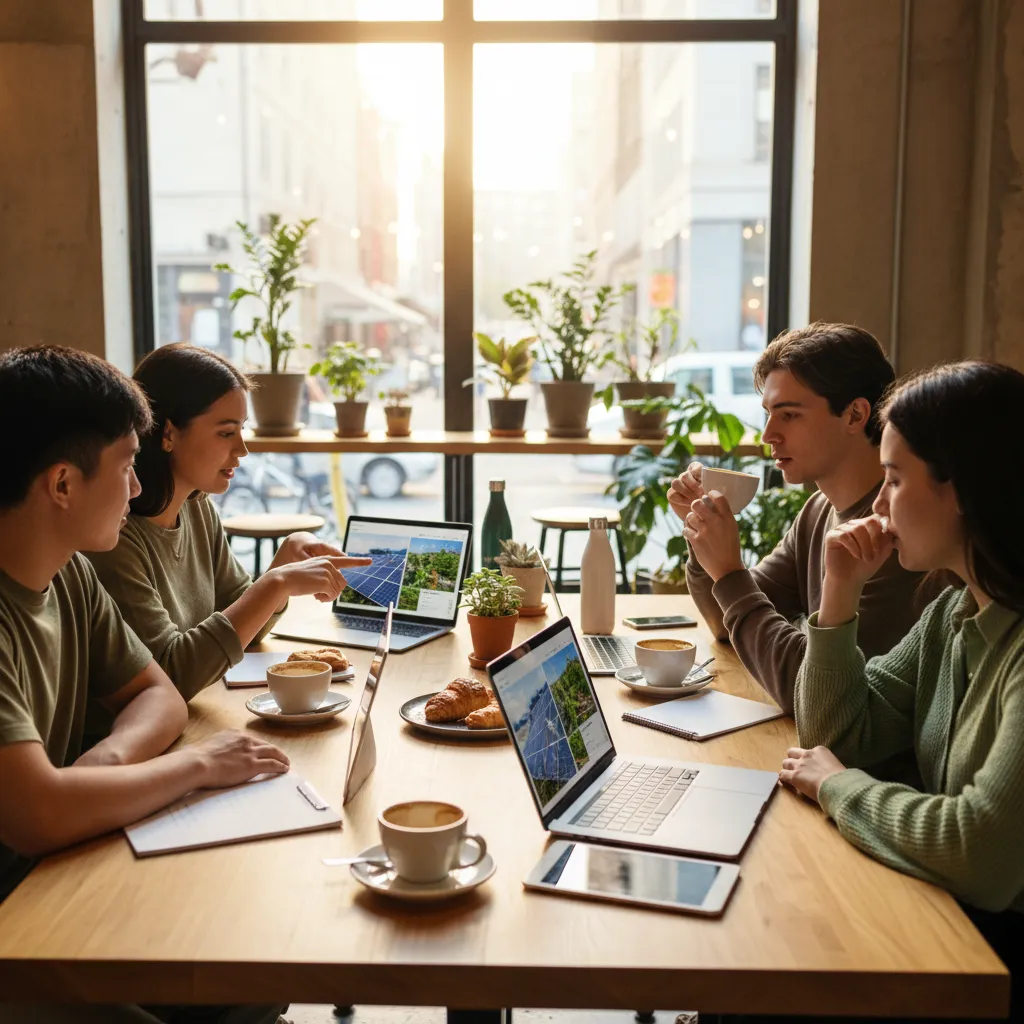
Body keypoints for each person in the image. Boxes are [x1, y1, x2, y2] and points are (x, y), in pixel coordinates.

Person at [0, 345, 289, 1023]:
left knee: (252, 978)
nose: (136, 489)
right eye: (128, 465)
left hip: (60, 870)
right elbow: (38, 816)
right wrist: (195, 766)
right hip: (19, 916)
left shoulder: (67, 572)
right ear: (63, 484)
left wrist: (99, 768)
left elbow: (156, 693)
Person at [781, 361, 1024, 1022]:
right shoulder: (955, 616)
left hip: (994, 969)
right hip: (955, 931)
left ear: (963, 490)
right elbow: (835, 737)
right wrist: (838, 598)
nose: (879, 504)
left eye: (892, 478)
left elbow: (980, 854)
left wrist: (838, 787)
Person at [88, 344, 370, 700]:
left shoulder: (196, 507)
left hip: (197, 716)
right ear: (168, 433)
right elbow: (169, 675)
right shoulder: (116, 540)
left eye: (241, 430)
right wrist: (275, 584)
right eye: (226, 432)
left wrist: (281, 566)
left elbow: (242, 628)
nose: (242, 449)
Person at [671, 322, 924, 714]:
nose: (768, 434)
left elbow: (811, 693)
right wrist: (701, 534)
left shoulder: (894, 534)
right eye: (769, 414)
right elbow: (727, 622)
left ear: (855, 415)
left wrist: (728, 572)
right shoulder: (818, 510)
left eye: (789, 415)